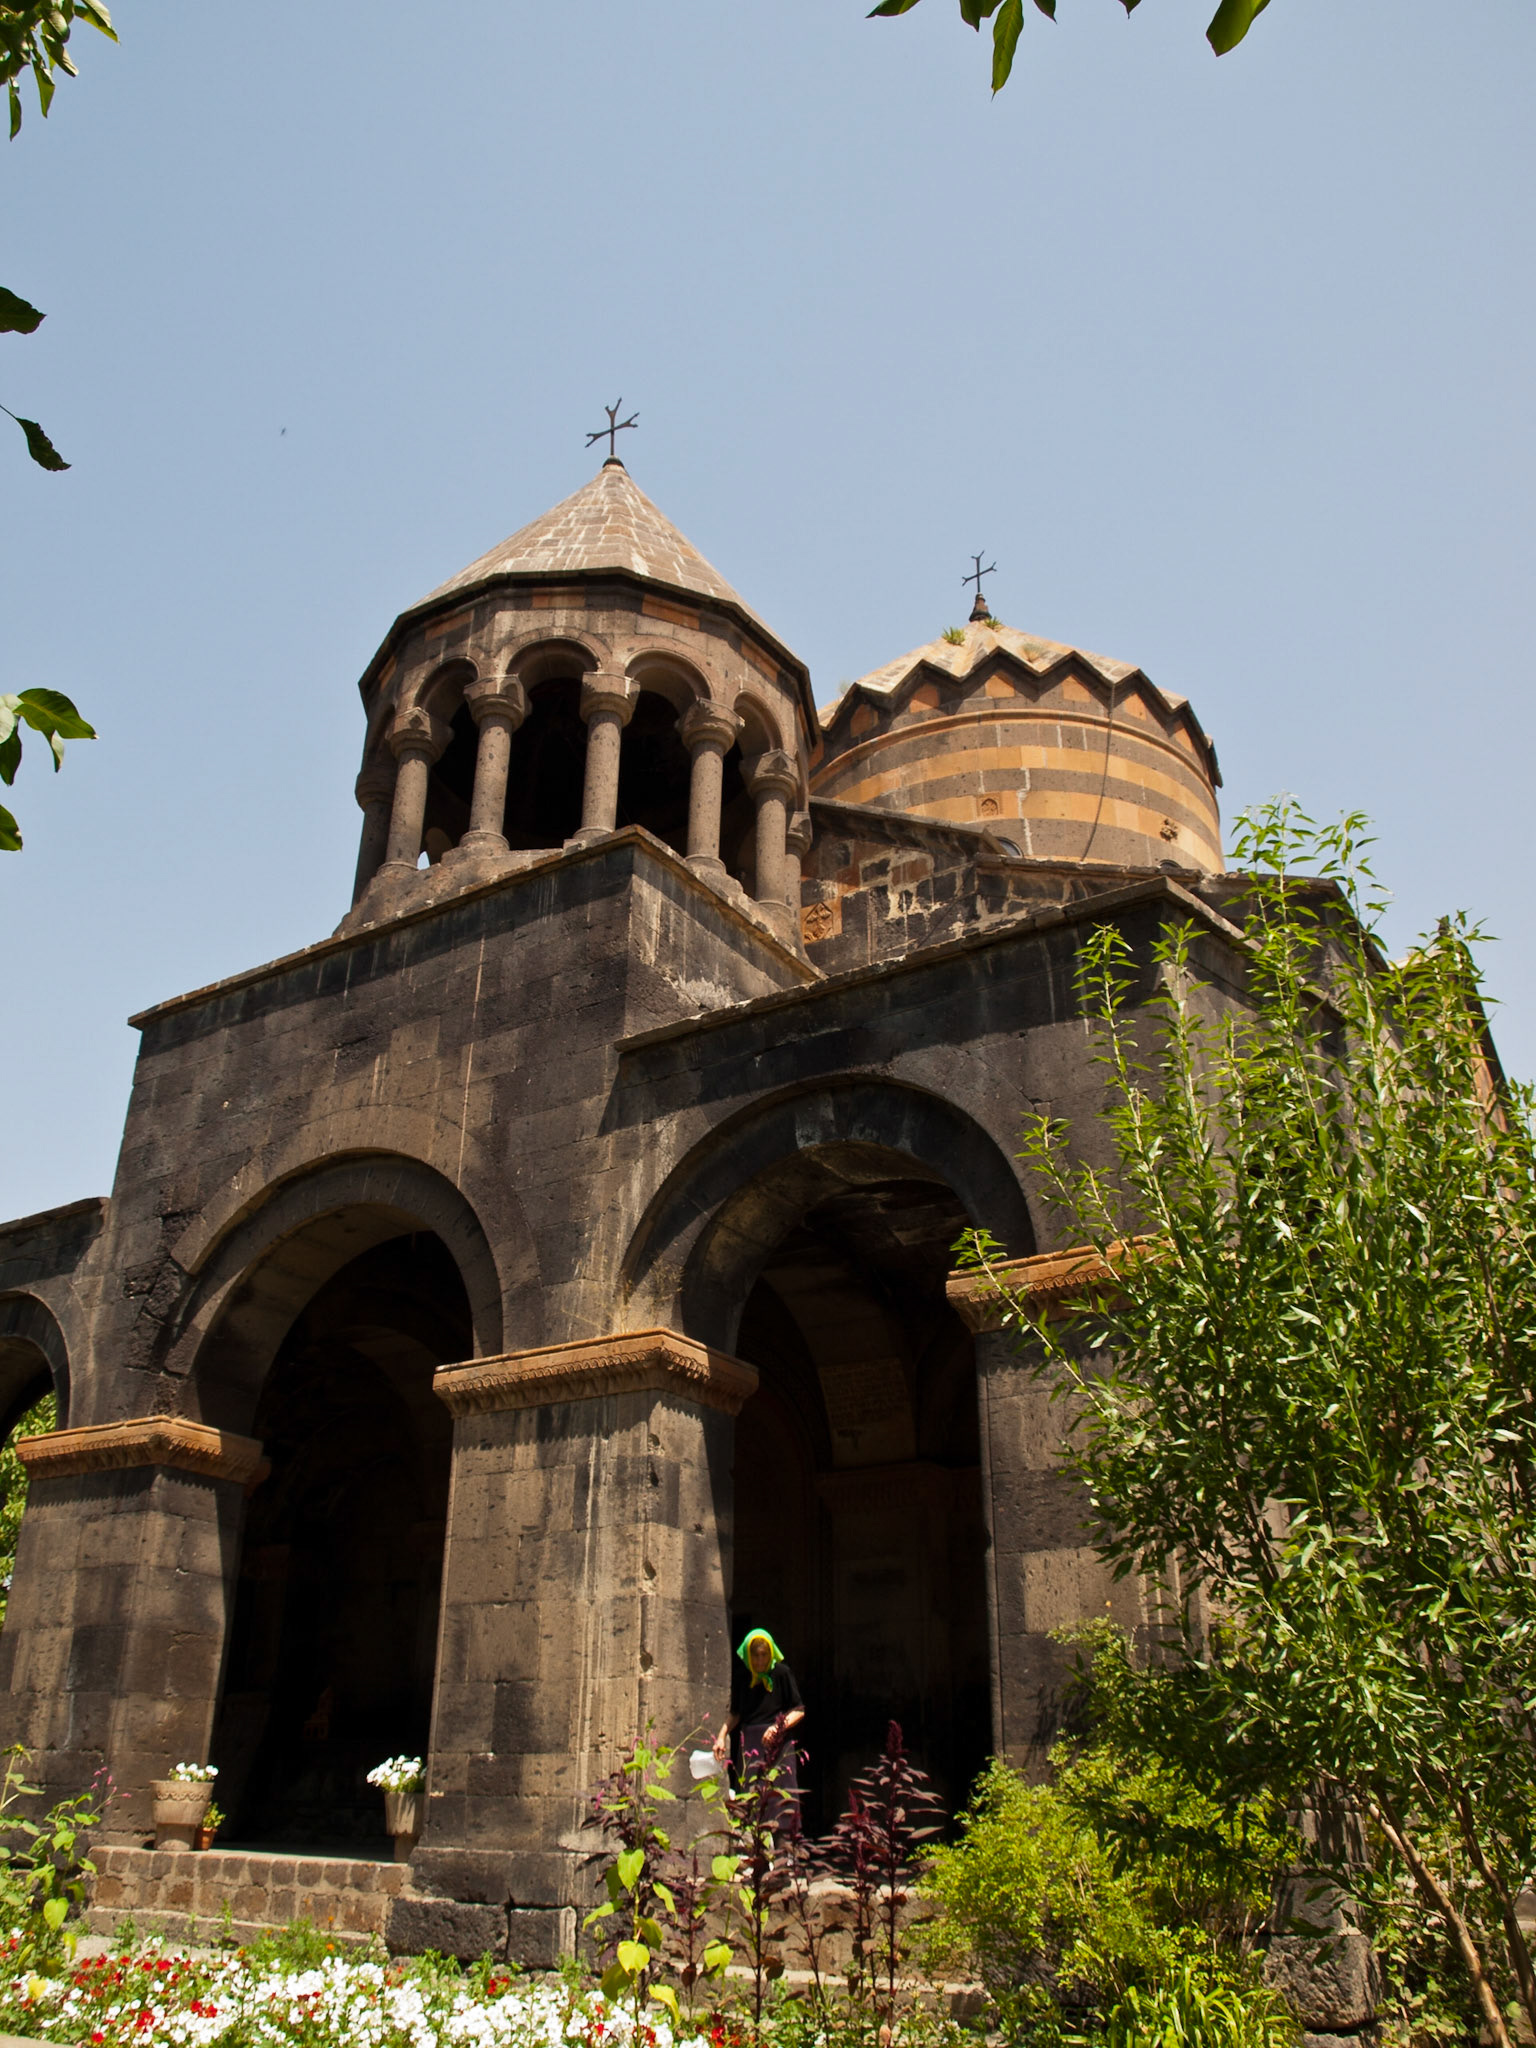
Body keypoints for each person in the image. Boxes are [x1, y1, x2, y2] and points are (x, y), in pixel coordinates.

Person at [713, 1627, 805, 1838]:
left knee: (782, 1799)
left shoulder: (781, 1673)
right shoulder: (742, 1677)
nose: (760, 1660)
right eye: (756, 1655)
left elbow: (799, 1710)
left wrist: (777, 1727)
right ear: (748, 1655)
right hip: (752, 1743)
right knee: (751, 1800)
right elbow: (735, 1713)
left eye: (764, 1655)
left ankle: (784, 1857)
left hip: (778, 1743)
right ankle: (756, 1857)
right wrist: (720, 1736)